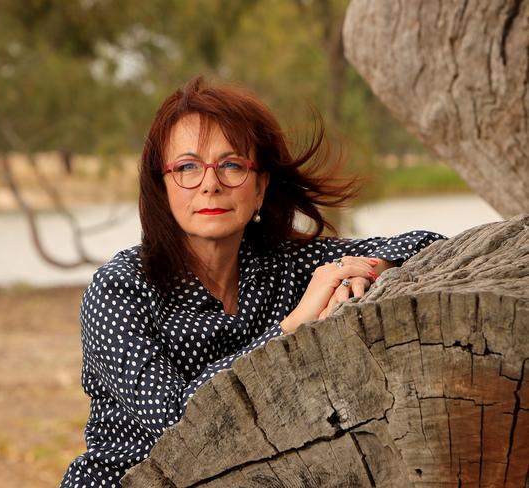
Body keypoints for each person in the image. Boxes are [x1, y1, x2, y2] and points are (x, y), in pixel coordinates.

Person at [60, 77, 446, 487]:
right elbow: (177, 422)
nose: (210, 184)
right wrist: (290, 329)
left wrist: (369, 271)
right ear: (163, 187)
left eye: (231, 165)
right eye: (187, 167)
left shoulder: (281, 266)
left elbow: (427, 245)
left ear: (260, 186)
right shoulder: (120, 290)